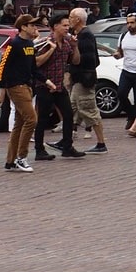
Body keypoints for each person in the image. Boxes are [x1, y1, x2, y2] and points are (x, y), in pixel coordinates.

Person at [34, 13, 85, 161]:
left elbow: (75, 61)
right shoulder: (46, 42)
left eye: (68, 25)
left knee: (68, 115)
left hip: (59, 85)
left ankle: (67, 147)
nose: (67, 28)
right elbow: (36, 63)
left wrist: (75, 47)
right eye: (64, 25)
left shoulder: (68, 43)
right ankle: (39, 150)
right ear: (55, 26)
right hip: (45, 85)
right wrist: (51, 50)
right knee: (43, 118)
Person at [0, 12, 41, 172]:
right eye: (32, 25)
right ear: (23, 27)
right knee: (31, 119)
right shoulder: (14, 44)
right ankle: (22, 157)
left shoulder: (29, 44)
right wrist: (2, 89)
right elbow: (2, 67)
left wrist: (46, 81)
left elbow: (33, 68)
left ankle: (10, 160)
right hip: (16, 87)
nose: (35, 27)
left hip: (27, 86)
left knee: (19, 124)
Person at [65, 7, 108, 153]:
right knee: (71, 108)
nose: (69, 19)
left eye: (71, 17)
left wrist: (74, 56)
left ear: (78, 19)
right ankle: (66, 140)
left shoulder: (86, 35)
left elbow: (90, 59)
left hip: (84, 79)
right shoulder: (77, 34)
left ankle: (101, 143)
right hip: (78, 79)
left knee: (89, 110)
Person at [115, 12, 136, 129]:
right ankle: (131, 115)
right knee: (121, 94)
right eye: (127, 23)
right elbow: (120, 52)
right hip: (127, 70)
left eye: (132, 23)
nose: (129, 25)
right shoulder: (123, 36)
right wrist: (117, 54)